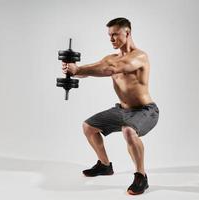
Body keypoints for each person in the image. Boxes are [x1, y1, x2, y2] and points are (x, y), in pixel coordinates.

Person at [61, 17, 159, 195]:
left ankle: (141, 176)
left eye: (115, 34)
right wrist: (73, 70)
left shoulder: (140, 56)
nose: (111, 39)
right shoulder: (111, 58)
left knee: (128, 131)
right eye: (109, 35)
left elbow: (112, 69)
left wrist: (79, 70)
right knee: (88, 126)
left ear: (127, 32)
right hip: (121, 109)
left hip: (145, 111)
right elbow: (98, 68)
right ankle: (105, 165)